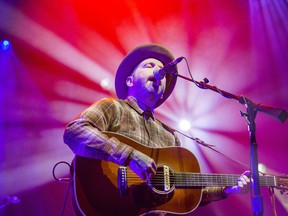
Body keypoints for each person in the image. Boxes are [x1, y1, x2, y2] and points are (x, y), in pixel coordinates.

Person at [63, 44, 250, 215]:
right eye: (149, 65)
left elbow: (185, 194)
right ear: (129, 81)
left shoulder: (171, 136)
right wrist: (129, 155)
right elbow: (75, 131)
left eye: (164, 73)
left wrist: (226, 189)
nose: (159, 72)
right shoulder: (113, 108)